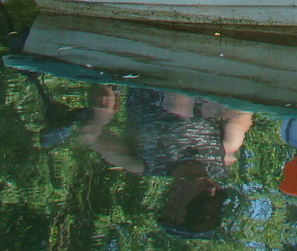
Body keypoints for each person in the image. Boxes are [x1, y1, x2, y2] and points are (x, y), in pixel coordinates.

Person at [77, 84, 254, 237]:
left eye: (202, 199)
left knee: (177, 104)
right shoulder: (225, 151)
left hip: (145, 73)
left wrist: (102, 113)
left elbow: (91, 134)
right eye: (216, 198)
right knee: (180, 105)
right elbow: (242, 114)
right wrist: (223, 109)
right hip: (198, 78)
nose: (212, 190)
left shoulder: (143, 162)